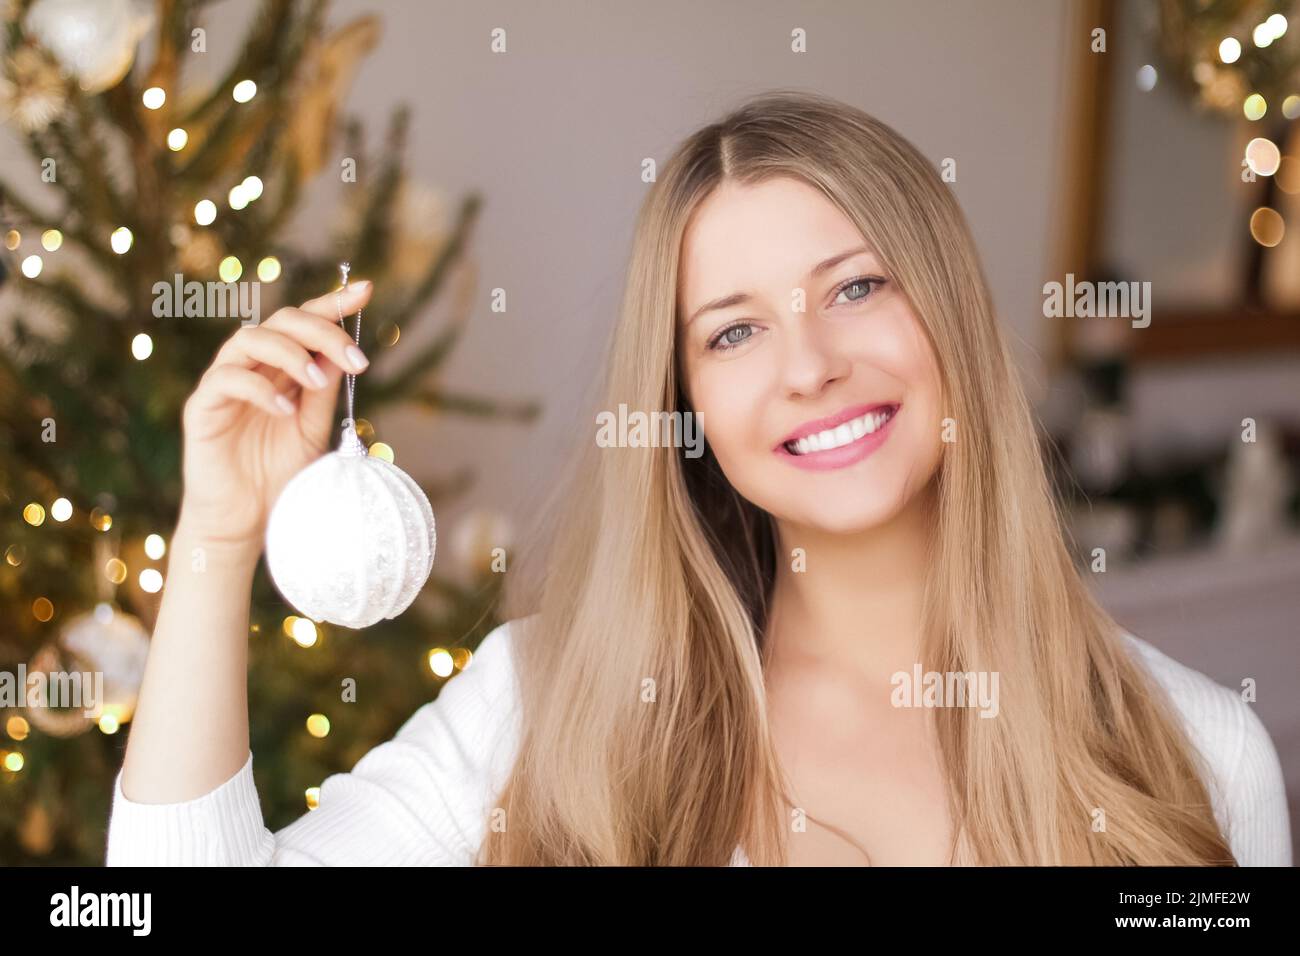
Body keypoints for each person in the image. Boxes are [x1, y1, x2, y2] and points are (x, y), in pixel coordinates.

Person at [107, 89, 1291, 867]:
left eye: (856, 287)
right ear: (687, 408)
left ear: (953, 317)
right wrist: (215, 540)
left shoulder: (1200, 750)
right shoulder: (546, 702)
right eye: (732, 332)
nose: (811, 366)